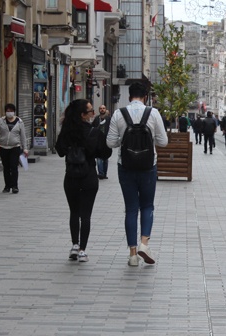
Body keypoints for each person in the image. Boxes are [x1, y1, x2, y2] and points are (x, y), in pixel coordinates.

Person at [106, 82, 169, 266]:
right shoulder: (153, 113)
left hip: (125, 166)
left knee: (131, 208)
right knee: (147, 206)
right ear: (146, 96)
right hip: (149, 165)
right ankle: (144, 243)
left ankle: (133, 255)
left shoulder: (119, 113)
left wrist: (123, 140)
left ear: (129, 96)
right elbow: (163, 142)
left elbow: (110, 143)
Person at [56, 99, 112, 262]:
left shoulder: (67, 131)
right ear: (82, 115)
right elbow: (105, 153)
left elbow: (59, 151)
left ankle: (74, 245)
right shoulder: (94, 132)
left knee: (74, 212)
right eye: (90, 111)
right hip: (89, 176)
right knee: (86, 215)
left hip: (71, 175)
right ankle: (82, 250)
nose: (93, 113)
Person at [0, 103, 29, 194]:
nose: (9, 113)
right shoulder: (1, 121)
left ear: (14, 112)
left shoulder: (19, 122)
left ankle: (15, 186)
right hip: (3, 147)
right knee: (6, 167)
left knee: (14, 167)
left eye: (11, 111)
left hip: (15, 147)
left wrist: (25, 148)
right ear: (5, 112)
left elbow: (23, 136)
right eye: (8, 111)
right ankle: (7, 186)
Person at [92, 104, 112, 179]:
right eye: (101, 108)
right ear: (99, 110)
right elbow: (93, 128)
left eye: (104, 108)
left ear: (105, 109)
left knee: (105, 158)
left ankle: (104, 173)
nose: (102, 109)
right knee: (99, 157)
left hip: (106, 141)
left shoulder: (109, 119)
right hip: (98, 141)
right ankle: (101, 173)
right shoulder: (97, 119)